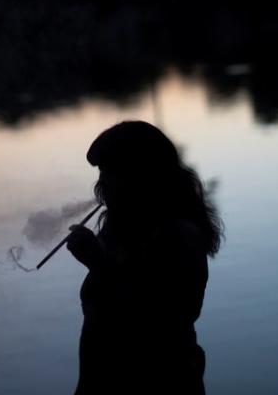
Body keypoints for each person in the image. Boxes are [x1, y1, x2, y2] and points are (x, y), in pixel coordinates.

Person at [67, 121, 223, 394]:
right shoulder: (121, 227)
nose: (103, 184)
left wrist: (99, 264)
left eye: (112, 172)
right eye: (102, 172)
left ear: (144, 173)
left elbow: (160, 320)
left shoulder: (181, 236)